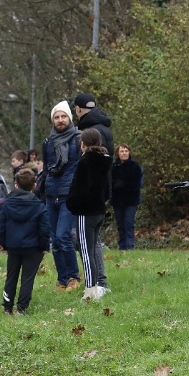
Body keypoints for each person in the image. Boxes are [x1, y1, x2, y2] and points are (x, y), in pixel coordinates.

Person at [74, 92, 114, 290]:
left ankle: (94, 285)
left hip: (88, 201)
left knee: (85, 243)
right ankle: (101, 282)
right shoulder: (104, 127)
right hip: (100, 196)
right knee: (94, 241)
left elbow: (90, 172)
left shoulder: (90, 131)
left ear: (78, 109)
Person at [67, 129, 112, 301]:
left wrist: (71, 204)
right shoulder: (105, 161)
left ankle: (90, 291)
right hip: (99, 210)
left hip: (85, 213)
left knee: (86, 253)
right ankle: (98, 285)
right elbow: (108, 189)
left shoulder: (84, 162)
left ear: (83, 143)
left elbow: (79, 190)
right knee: (93, 250)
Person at [0, 167, 50, 314]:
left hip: (13, 246)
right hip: (33, 247)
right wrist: (43, 246)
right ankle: (22, 308)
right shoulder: (39, 206)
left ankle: (7, 306)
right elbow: (44, 229)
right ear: (34, 185)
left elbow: (1, 227)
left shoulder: (7, 205)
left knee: (11, 276)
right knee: (28, 278)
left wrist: (5, 244)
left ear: (16, 185)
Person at [42, 101, 82, 291]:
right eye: (56, 117)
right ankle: (62, 279)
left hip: (69, 194)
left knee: (63, 236)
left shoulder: (78, 138)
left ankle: (74, 277)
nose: (60, 120)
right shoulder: (48, 142)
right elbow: (46, 168)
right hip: (51, 194)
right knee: (55, 241)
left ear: (69, 118)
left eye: (63, 116)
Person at [111, 144, 144, 250]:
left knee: (129, 224)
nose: (124, 153)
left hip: (131, 200)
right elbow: (109, 183)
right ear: (118, 153)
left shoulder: (135, 167)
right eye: (122, 151)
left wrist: (124, 185)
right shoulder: (113, 167)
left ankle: (130, 247)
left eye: (126, 151)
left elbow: (138, 184)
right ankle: (122, 247)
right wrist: (115, 186)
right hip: (117, 200)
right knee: (120, 224)